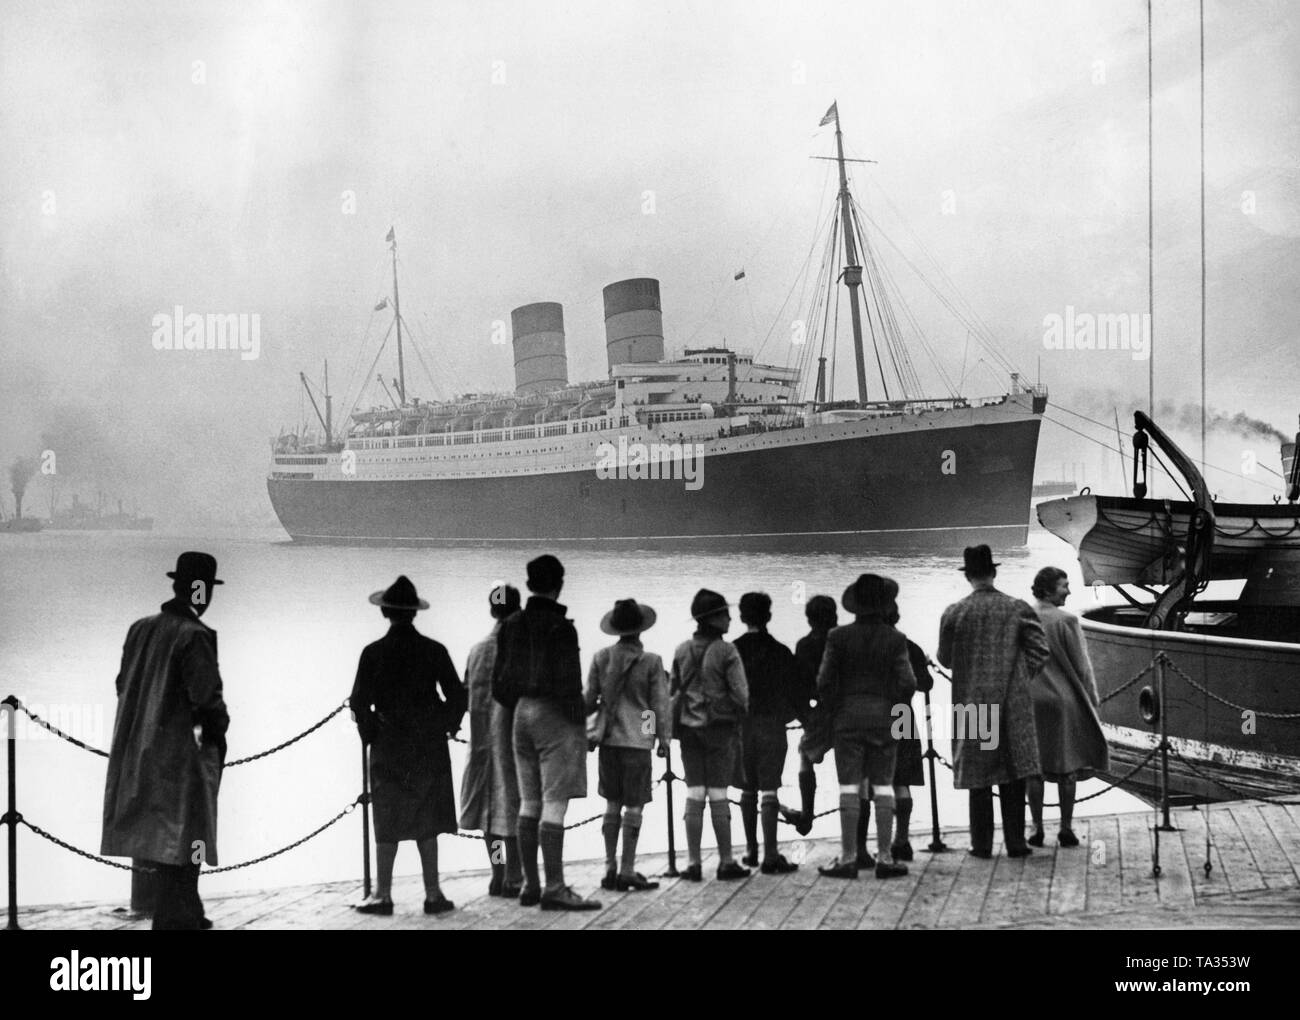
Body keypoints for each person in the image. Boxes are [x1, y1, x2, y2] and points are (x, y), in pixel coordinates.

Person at [102, 551, 230, 930]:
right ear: (200, 591)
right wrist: (218, 736)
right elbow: (207, 701)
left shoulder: (139, 629)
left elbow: (122, 685)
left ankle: (185, 909)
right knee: (188, 833)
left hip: (137, 749)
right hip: (180, 756)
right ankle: (178, 915)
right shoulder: (195, 636)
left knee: (158, 839)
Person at [352, 575, 467, 916]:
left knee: (387, 817)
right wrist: (446, 726)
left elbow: (359, 703)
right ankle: (433, 895)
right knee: (427, 817)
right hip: (427, 743)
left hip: (388, 743)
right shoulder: (434, 650)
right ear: (414, 613)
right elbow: (458, 696)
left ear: (384, 611)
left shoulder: (372, 653)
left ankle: (381, 895)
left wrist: (371, 734)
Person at [492, 554, 600, 911]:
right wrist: (584, 715)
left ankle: (530, 885)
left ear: (529, 583)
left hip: (520, 713)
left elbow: (499, 687)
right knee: (554, 803)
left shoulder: (510, 624)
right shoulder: (562, 628)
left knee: (528, 802)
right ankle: (555, 886)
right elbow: (569, 685)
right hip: (553, 714)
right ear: (560, 583)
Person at [938, 545, 1050, 859]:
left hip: (973, 702)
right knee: (1013, 773)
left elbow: (945, 659)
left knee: (979, 777)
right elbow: (1041, 652)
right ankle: (1016, 842)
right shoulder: (1017, 608)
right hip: (1012, 703)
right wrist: (1017, 679)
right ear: (994, 572)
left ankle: (981, 845)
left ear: (968, 576)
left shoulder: (955, 612)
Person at [815, 574, 915, 879]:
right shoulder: (895, 639)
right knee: (884, 785)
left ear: (854, 605)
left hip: (848, 718)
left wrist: (839, 704)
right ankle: (885, 857)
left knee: (849, 787)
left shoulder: (837, 636)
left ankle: (848, 858)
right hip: (886, 718)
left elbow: (823, 681)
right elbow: (908, 683)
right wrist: (891, 702)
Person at [584, 598, 670, 892]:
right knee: (634, 807)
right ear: (641, 629)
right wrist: (658, 738)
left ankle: (609, 867)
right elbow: (654, 706)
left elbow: (588, 701)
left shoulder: (600, 658)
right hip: (637, 743)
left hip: (607, 740)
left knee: (611, 803)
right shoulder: (651, 661)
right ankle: (628, 870)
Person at [670, 589, 751, 882]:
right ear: (714, 619)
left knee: (694, 793)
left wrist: (657, 733)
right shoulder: (727, 651)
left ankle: (692, 863)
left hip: (689, 731)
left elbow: (670, 694)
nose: (730, 618)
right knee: (719, 793)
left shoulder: (681, 649)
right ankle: (726, 861)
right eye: (724, 614)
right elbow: (742, 696)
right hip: (720, 730)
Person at [1026, 566, 1109, 848]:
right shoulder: (1067, 621)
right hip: (1063, 702)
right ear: (1049, 590)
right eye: (1064, 585)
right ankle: (1065, 828)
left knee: (1034, 768)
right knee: (1067, 767)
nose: (1069, 591)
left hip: (1031, 700)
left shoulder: (1022, 617)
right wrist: (1093, 701)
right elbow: (1082, 667)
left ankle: (1036, 828)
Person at [458, 583, 524, 896]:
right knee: (513, 812)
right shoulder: (519, 649)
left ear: (491, 610)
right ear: (518, 609)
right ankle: (514, 875)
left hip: (480, 744)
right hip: (511, 745)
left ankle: (497, 874)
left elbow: (464, 691)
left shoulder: (476, 650)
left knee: (488, 817)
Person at [858, 601, 934, 864]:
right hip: (902, 714)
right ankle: (902, 840)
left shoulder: (864, 647)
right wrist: (922, 663)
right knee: (902, 780)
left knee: (874, 782)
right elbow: (926, 683)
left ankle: (875, 847)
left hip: (873, 715)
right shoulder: (908, 646)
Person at [733, 592, 801, 874]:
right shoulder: (781, 652)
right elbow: (794, 694)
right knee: (770, 787)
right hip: (772, 725)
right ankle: (771, 854)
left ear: (741, 617)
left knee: (747, 787)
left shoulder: (732, 650)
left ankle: (751, 850)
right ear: (769, 616)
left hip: (742, 726)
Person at [786, 594, 837, 836]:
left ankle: (807, 815)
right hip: (845, 709)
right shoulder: (841, 639)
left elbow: (798, 687)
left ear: (809, 620)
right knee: (854, 770)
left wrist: (807, 717)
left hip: (819, 711)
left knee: (805, 755)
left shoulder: (804, 645)